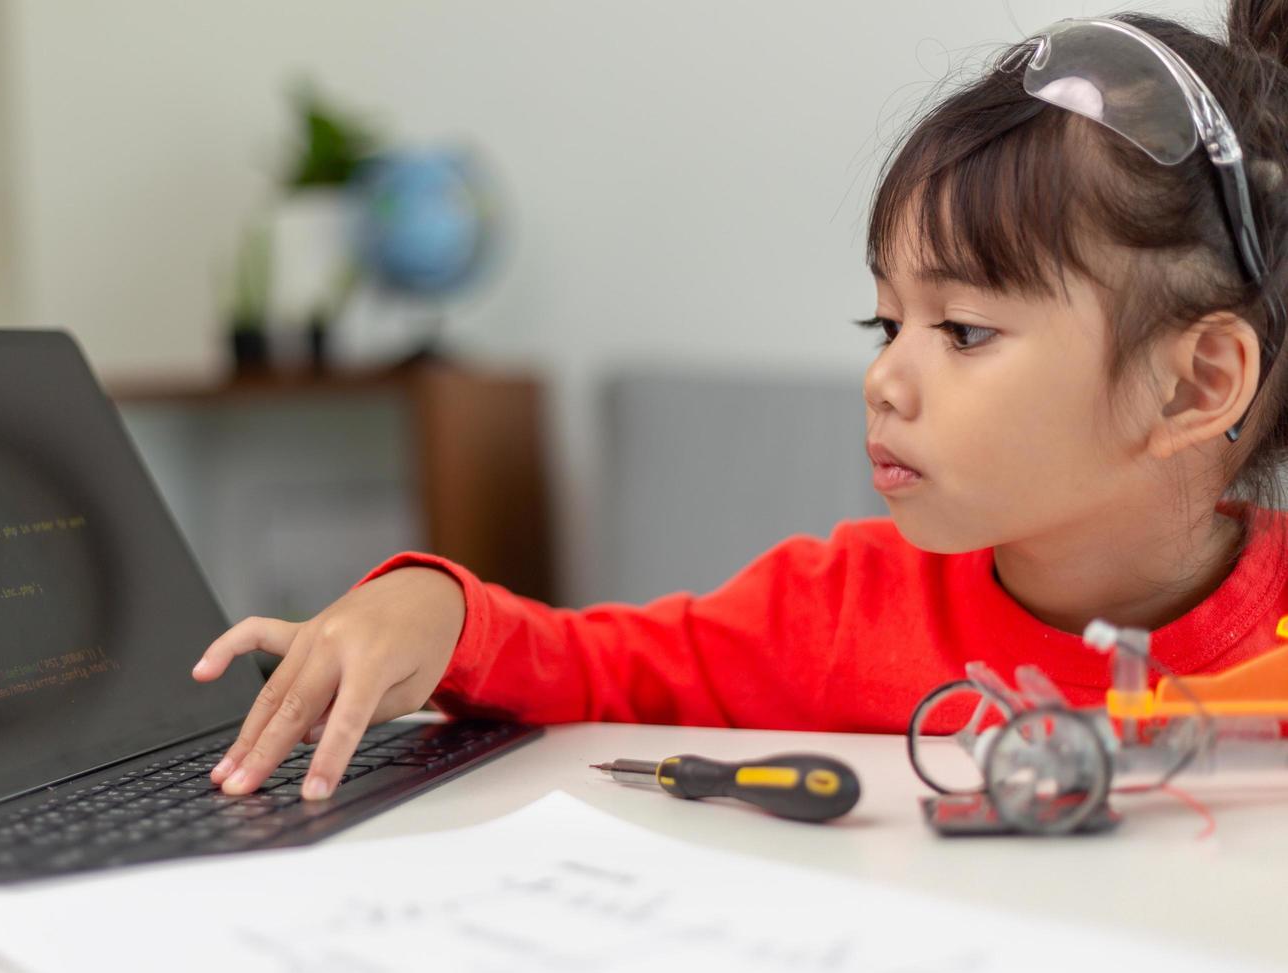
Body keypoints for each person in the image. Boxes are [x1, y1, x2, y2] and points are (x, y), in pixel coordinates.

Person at [193, 0, 1288, 801]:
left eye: (961, 330)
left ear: (1196, 383)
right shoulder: (834, 611)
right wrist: (437, 607)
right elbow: (595, 664)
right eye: (885, 322)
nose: (886, 376)